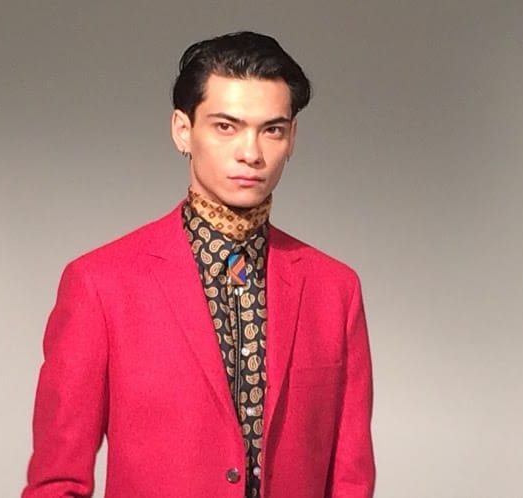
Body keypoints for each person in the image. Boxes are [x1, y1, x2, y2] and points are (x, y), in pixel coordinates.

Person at [22, 31, 375, 498]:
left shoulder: (334, 289)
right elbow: (56, 482)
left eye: (271, 130)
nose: (251, 153)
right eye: (226, 126)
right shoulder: (101, 284)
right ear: (182, 130)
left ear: (292, 138)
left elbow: (351, 480)